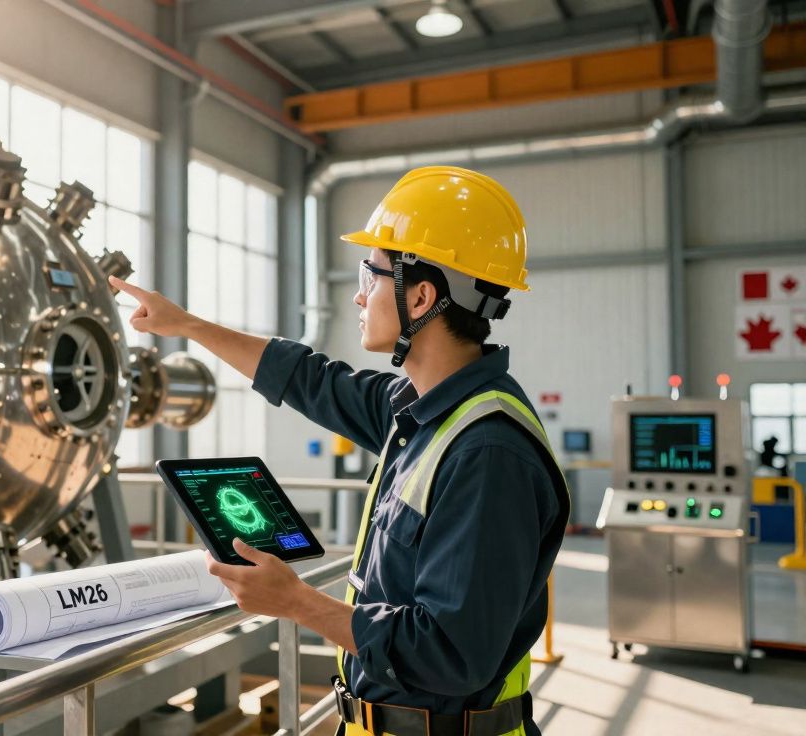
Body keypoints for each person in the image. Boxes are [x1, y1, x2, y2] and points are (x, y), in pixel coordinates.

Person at [111, 166, 569, 736]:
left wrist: (298, 602)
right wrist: (187, 325)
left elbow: (451, 655)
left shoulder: (487, 453)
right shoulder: (419, 409)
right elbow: (311, 380)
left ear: (421, 295)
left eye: (370, 275)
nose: (358, 294)